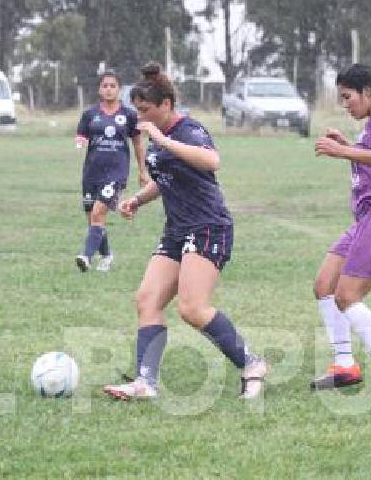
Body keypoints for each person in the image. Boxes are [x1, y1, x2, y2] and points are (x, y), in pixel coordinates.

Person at [103, 62, 267, 400]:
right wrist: (138, 199)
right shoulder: (155, 135)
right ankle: (145, 383)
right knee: (147, 300)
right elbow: (165, 178)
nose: (141, 117)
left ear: (166, 104)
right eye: (137, 111)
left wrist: (163, 139)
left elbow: (211, 161)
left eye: (146, 110)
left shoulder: (188, 130)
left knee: (192, 308)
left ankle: (252, 364)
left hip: (209, 226)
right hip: (177, 230)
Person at [311, 64, 371, 395]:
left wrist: (341, 151)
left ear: (368, 92)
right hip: (366, 219)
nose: (345, 105)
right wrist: (349, 145)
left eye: (348, 97)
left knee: (347, 295)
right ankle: (344, 365)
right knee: (325, 284)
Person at [74, 71, 149, 272]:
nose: (108, 89)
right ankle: (106, 256)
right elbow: (81, 134)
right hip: (91, 172)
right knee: (93, 218)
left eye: (112, 86)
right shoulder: (90, 114)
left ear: (119, 89)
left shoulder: (129, 115)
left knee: (99, 212)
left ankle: (86, 257)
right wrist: (80, 142)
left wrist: (142, 171)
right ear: (100, 89)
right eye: (105, 85)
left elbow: (138, 144)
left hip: (116, 173)